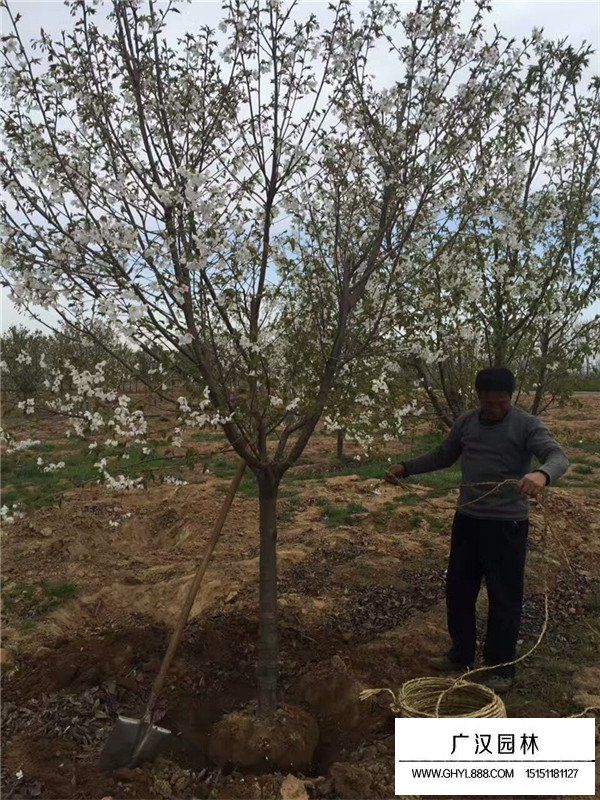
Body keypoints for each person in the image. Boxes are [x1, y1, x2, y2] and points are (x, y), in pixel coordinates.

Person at [385, 367, 568, 693]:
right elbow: (444, 454)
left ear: (510, 398)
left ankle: (500, 667)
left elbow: (557, 456)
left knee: (504, 597)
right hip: (468, 520)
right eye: (487, 402)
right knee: (458, 588)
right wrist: (407, 468)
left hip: (507, 525)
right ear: (478, 398)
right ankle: (461, 654)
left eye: (499, 403)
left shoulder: (527, 425)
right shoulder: (467, 423)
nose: (493, 409)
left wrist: (542, 475)